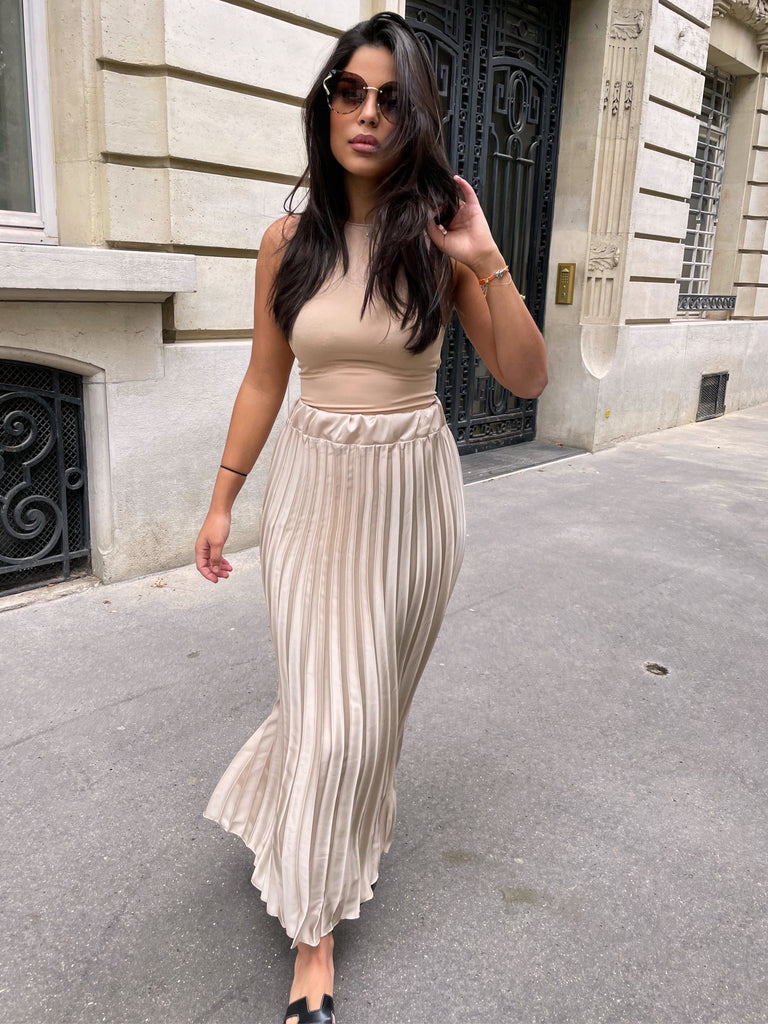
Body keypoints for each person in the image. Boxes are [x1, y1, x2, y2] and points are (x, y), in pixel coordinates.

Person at [195, 12, 547, 1024]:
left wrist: (486, 256)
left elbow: (526, 377)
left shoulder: (438, 242)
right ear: (325, 103)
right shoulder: (286, 243)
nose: (367, 113)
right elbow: (264, 381)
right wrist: (222, 497)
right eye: (349, 90)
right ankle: (312, 934)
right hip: (314, 492)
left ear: (414, 118)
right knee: (336, 720)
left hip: (412, 500)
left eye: (391, 99)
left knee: (365, 714)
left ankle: (300, 825)